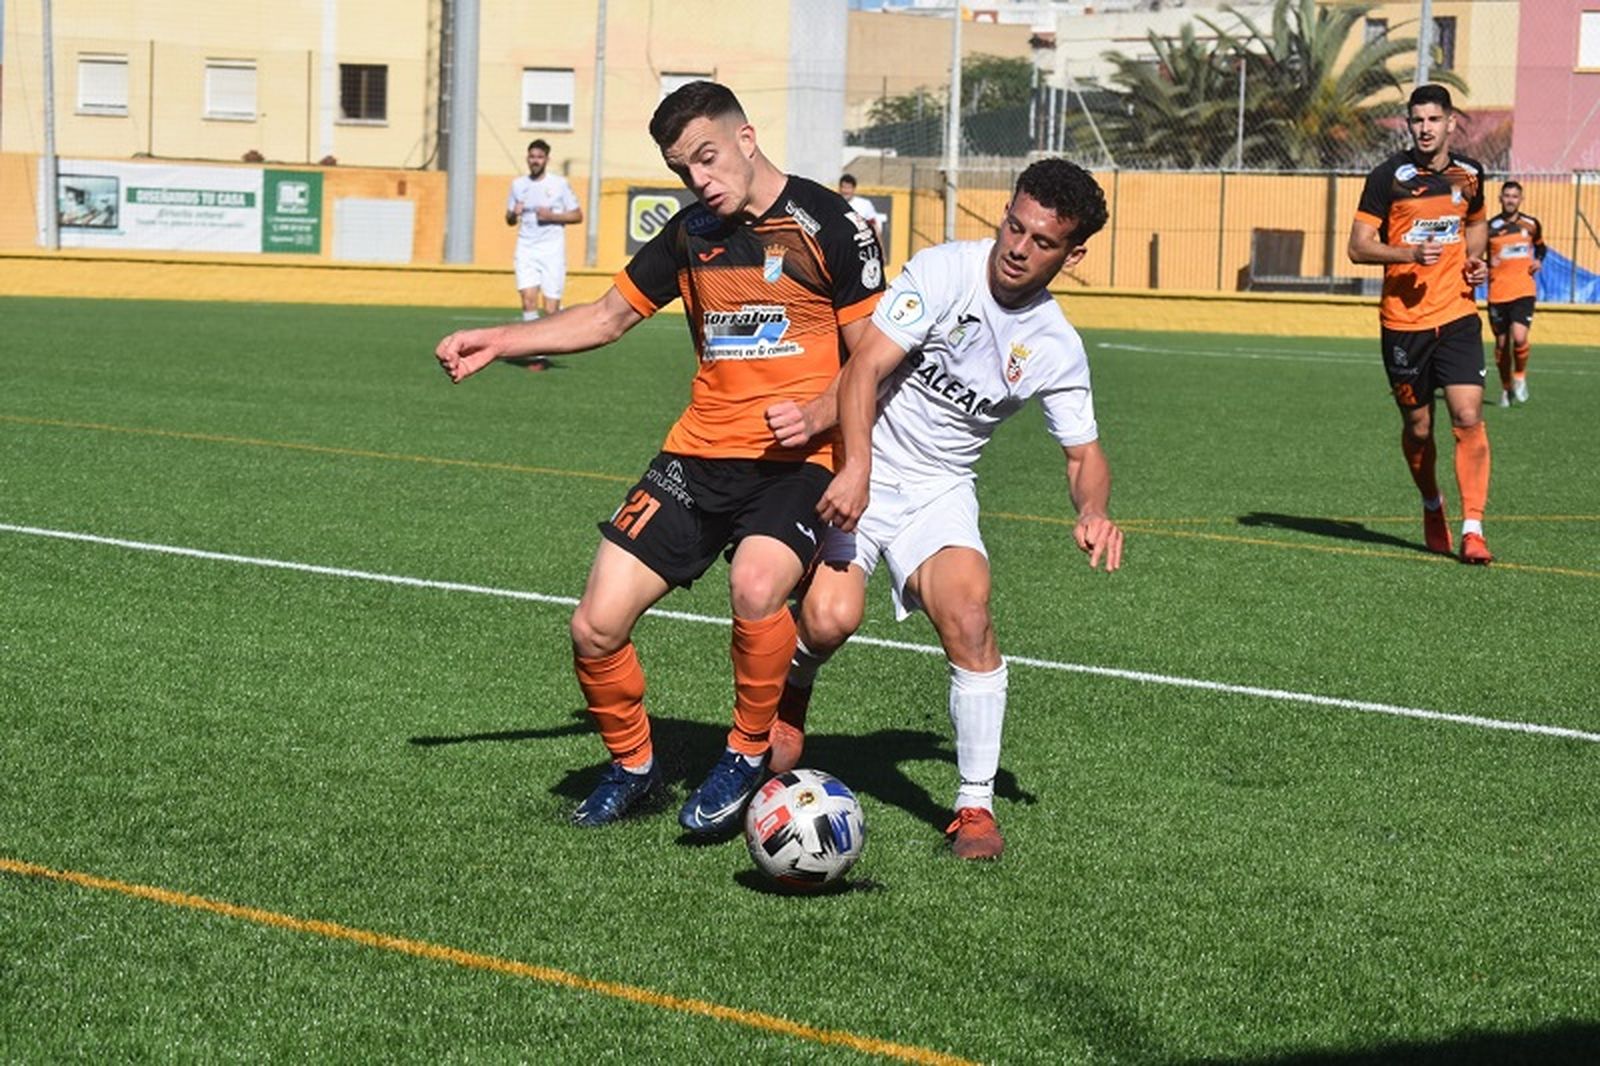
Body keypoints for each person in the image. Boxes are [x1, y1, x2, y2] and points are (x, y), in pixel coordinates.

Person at [436, 82, 884, 832]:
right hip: (698, 454)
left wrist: (831, 431)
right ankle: (634, 765)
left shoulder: (831, 223)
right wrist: (500, 339)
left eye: (706, 158)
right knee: (594, 625)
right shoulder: (691, 233)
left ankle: (744, 751)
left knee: (756, 584)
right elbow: (609, 317)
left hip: (797, 459)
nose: (699, 180)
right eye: (683, 169)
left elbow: (875, 356)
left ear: (746, 138)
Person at [763, 158, 1124, 861]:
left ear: (1072, 254)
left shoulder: (1055, 346)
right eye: (1012, 227)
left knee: (969, 611)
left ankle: (973, 807)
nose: (1017, 249)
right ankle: (793, 692)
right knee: (830, 619)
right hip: (865, 460)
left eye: (1041, 242)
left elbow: (1084, 456)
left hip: (940, 487)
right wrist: (854, 463)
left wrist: (1094, 510)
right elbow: (864, 368)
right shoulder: (942, 271)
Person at [1347, 84, 1493, 565]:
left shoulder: (1470, 175)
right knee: (1419, 427)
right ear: (1409, 125)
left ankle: (1473, 529)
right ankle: (1433, 503)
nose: (1425, 128)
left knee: (1468, 416)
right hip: (1404, 322)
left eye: (1434, 119)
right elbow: (1358, 246)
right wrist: (1408, 252)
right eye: (1417, 120)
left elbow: (1474, 224)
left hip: (1457, 315)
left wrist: (1475, 261)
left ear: (1452, 122)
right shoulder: (1388, 177)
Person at [506, 139, 583, 322]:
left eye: (540, 157)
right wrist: (513, 213)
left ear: (547, 159)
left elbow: (577, 216)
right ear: (527, 158)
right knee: (528, 301)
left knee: (551, 309)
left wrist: (552, 216)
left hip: (552, 251)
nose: (535, 161)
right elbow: (509, 220)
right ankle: (535, 350)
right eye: (532, 157)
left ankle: (549, 342)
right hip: (526, 248)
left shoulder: (559, 184)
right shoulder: (518, 184)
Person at [1486, 180, 1546, 407]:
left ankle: (1520, 376)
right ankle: (1505, 388)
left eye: (1514, 196)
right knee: (1502, 345)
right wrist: (1486, 262)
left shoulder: (1531, 225)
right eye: (1507, 195)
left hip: (1523, 290)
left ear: (1521, 199)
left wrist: (1538, 260)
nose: (1510, 199)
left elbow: (1541, 246)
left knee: (1520, 337)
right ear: (1500, 199)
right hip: (1498, 293)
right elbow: (1474, 254)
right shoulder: (1489, 227)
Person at [838, 173, 883, 249]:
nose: (846, 191)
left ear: (854, 189)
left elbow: (875, 228)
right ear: (840, 188)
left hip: (860, 246)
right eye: (843, 187)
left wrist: (881, 249)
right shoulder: (835, 204)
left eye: (849, 188)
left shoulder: (865, 205)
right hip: (841, 246)